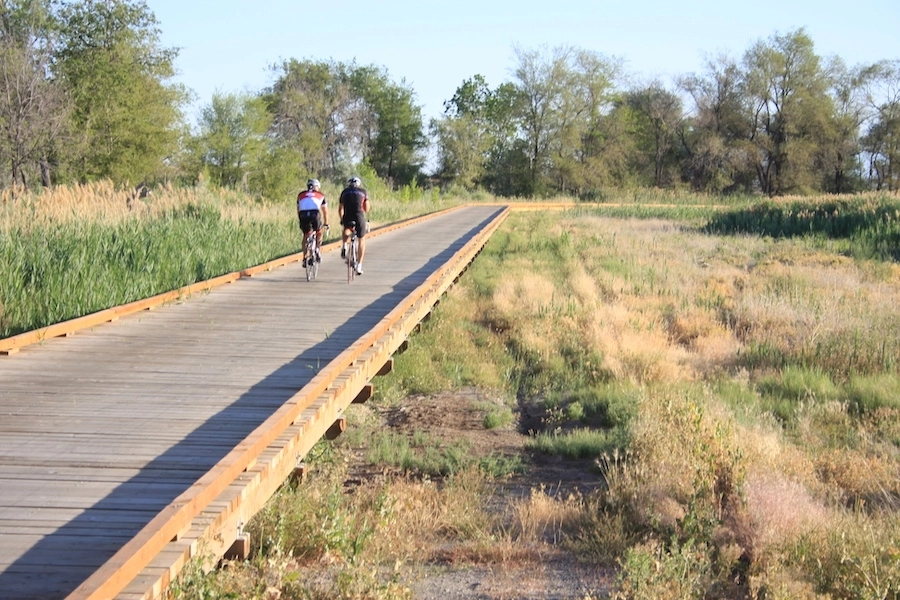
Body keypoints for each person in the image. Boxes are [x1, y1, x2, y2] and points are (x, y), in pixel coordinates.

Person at [338, 176, 370, 275]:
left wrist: (341, 219)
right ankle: (359, 265)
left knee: (346, 229)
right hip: (359, 215)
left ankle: (344, 245)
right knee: (362, 239)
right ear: (358, 184)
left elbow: (340, 209)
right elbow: (367, 208)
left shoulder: (344, 192)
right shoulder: (363, 192)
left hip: (348, 215)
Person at [297, 178, 328, 267]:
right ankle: (317, 249)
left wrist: (300, 219)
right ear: (317, 187)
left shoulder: (301, 195)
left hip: (303, 215)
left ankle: (304, 257)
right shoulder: (320, 195)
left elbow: (298, 209)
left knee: (306, 235)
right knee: (319, 231)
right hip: (315, 214)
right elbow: (325, 211)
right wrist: (326, 223)